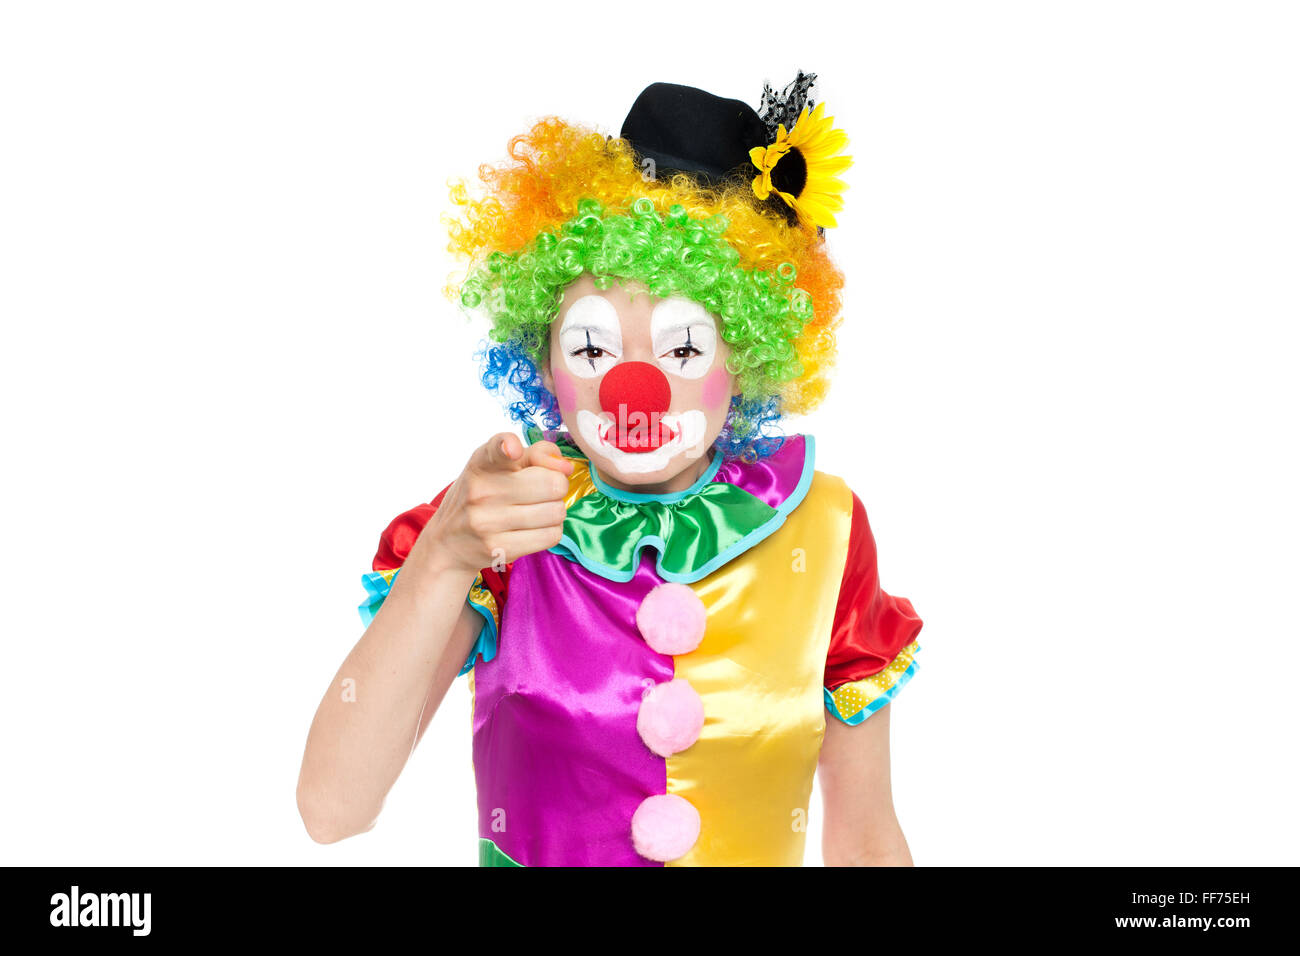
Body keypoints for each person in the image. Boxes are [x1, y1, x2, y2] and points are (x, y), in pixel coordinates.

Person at [296, 72, 924, 866]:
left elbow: (864, 833)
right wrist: (445, 556)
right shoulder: (501, 516)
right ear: (543, 359)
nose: (634, 386)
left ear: (749, 356)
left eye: (683, 349)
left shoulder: (824, 528)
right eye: (592, 348)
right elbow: (331, 808)